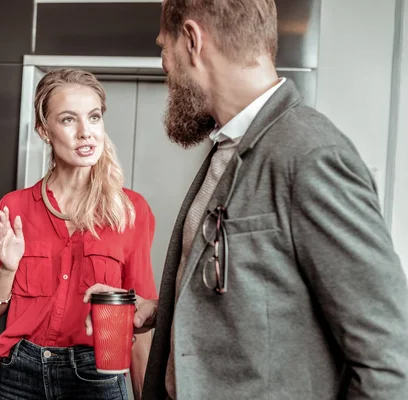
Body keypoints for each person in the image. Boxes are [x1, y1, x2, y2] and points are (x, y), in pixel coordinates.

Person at [85, 1, 408, 399]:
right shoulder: (228, 145)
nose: (164, 65)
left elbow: (388, 359)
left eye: (163, 48)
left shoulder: (309, 154)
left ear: (192, 40)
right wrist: (167, 310)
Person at [0, 68, 157, 400]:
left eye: (93, 117)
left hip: (97, 374)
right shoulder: (14, 207)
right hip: (21, 373)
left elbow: (139, 320)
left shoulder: (130, 211)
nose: (85, 132)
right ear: (44, 132)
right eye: (68, 120)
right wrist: (7, 269)